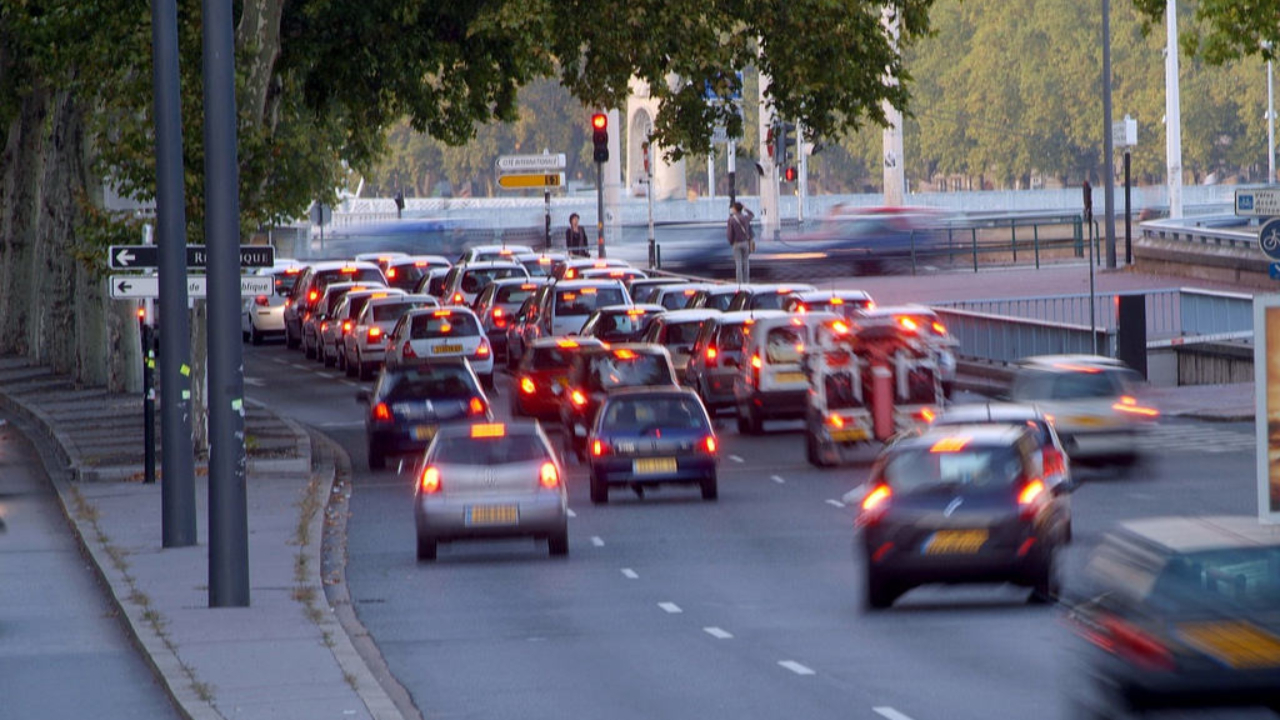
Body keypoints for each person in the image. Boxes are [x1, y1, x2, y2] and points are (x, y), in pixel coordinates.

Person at [727, 201, 754, 283]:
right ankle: (747, 282)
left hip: (736, 243)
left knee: (738, 264)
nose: (732, 210)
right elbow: (752, 215)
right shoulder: (745, 218)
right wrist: (745, 208)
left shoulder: (731, 219)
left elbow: (730, 233)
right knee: (746, 263)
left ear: (735, 209)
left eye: (733, 208)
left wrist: (731, 242)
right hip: (745, 243)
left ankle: (740, 283)